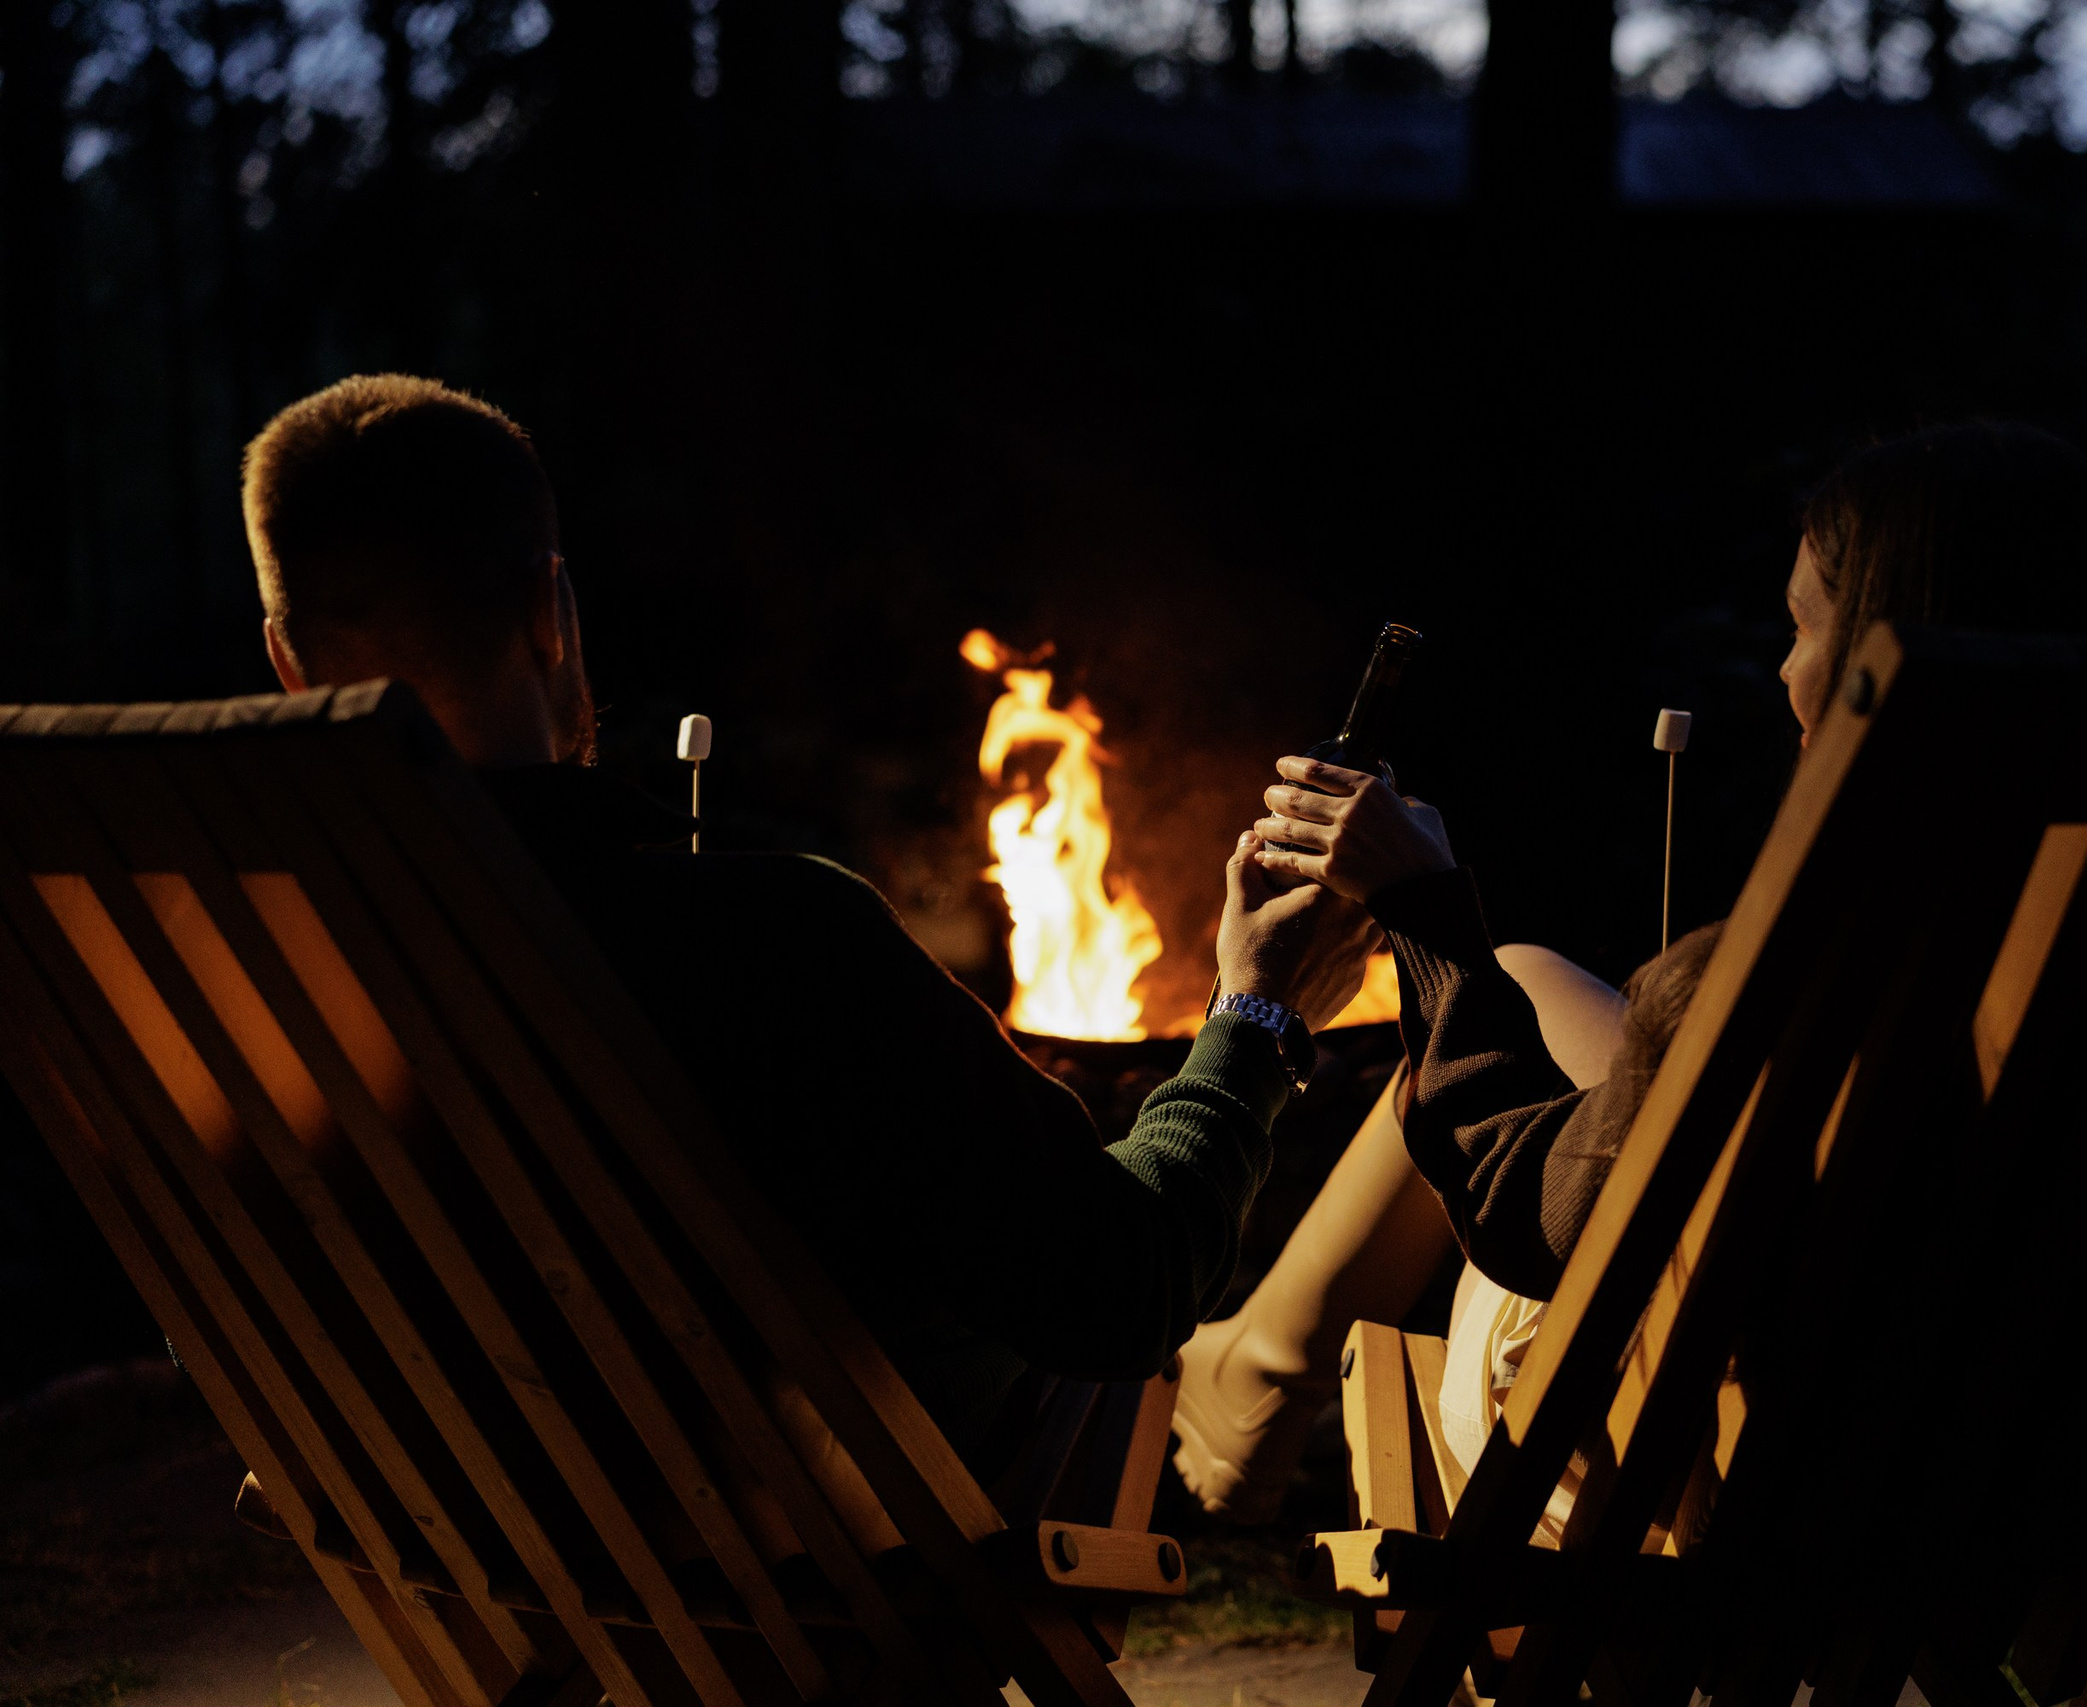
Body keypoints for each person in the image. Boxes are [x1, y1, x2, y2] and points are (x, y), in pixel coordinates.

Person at [241, 373, 1382, 1462]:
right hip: (823, 1533)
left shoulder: (232, 981)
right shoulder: (770, 943)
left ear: (288, 665)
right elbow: (1119, 1295)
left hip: (461, 1522)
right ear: (550, 613)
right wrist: (1255, 1015)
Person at [1172, 421, 2087, 1520]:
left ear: (1887, 654)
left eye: (1801, 628)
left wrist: (1422, 914)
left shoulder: (1806, 962)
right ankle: (1264, 1355)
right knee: (1533, 973)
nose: (1785, 672)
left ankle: (1259, 1368)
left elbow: (1528, 1218)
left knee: (1539, 1028)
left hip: (1751, 1451)